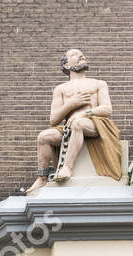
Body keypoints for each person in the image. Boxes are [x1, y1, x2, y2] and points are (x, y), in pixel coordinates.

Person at [29, 48, 123, 193]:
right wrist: (71, 104)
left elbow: (107, 109)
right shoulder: (60, 89)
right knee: (43, 137)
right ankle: (42, 178)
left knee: (78, 123)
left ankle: (67, 167)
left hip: (95, 124)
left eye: (82, 54)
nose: (81, 55)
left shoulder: (98, 84)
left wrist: (86, 113)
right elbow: (54, 120)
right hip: (69, 127)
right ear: (66, 66)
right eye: (74, 54)